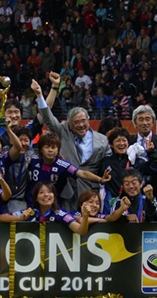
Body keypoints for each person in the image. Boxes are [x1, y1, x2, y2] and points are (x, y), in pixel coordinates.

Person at [32, 79, 109, 209]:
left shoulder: (102, 140)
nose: (81, 125)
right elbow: (48, 118)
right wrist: (39, 96)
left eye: (83, 121)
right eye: (76, 122)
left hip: (91, 191)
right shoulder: (63, 131)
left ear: (88, 121)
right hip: (66, 191)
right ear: (69, 125)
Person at [28, 132, 110, 205]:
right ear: (41, 149)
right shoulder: (33, 160)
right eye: (47, 147)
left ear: (58, 150)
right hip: (32, 202)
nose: (50, 150)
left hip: (53, 204)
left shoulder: (63, 165)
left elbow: (82, 173)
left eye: (53, 147)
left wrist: (100, 179)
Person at [0, 181, 90, 236]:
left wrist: (85, 217)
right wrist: (20, 218)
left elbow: (80, 231)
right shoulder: (30, 213)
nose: (46, 195)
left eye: (50, 192)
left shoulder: (60, 214)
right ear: (36, 198)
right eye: (41, 192)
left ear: (54, 196)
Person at [127, 105, 157, 195]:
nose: (145, 123)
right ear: (135, 123)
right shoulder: (128, 141)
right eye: (141, 119)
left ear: (153, 122)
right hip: (133, 190)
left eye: (147, 119)